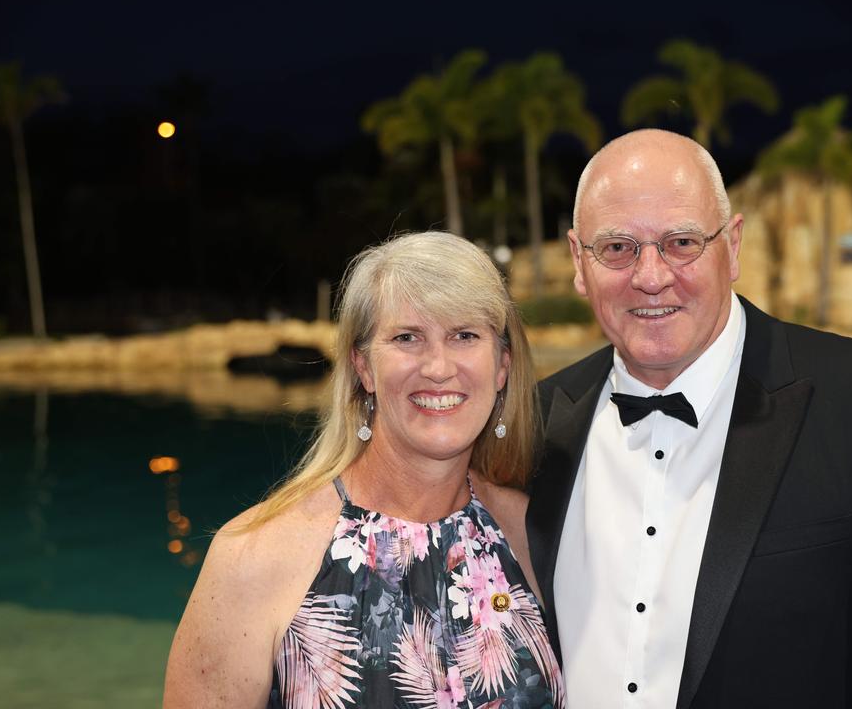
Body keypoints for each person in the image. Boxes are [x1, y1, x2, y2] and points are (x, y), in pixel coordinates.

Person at [527, 129, 852, 708]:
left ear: (733, 245)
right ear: (577, 261)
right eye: (617, 247)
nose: (650, 275)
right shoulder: (535, 424)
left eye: (682, 242)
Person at [165, 232, 564, 709]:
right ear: (363, 368)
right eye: (406, 338)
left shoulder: (531, 534)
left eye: (464, 335)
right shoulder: (254, 559)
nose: (439, 367)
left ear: (502, 365)